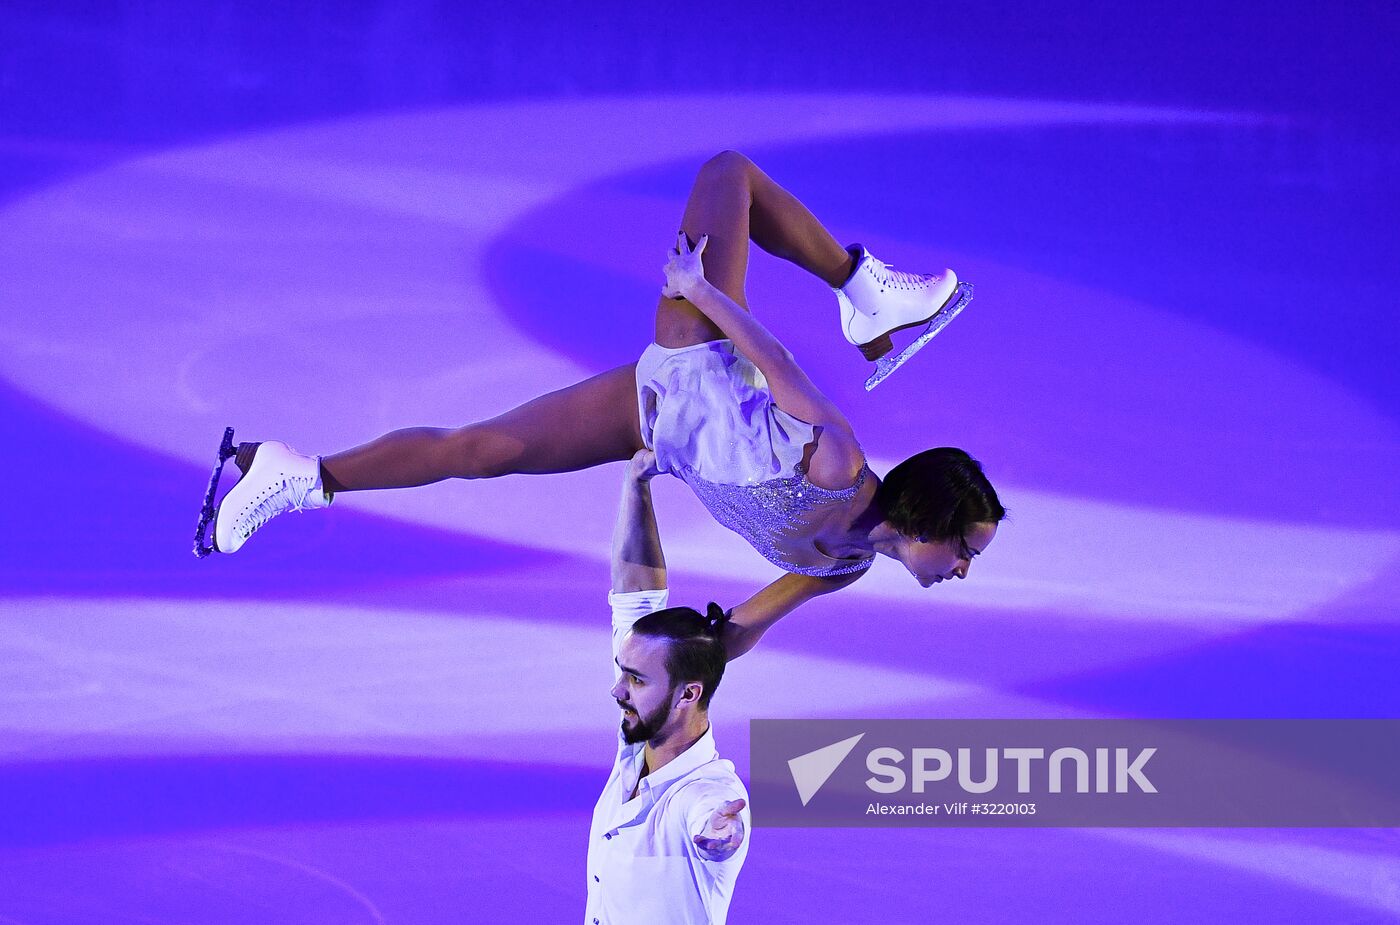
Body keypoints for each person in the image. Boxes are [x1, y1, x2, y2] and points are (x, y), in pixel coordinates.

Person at [199, 151, 1005, 609]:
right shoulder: (839, 464)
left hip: (652, 422)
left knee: (483, 450)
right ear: (930, 517)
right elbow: (779, 365)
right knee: (730, 173)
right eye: (967, 549)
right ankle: (863, 289)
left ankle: (295, 474)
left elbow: (747, 625)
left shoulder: (845, 566)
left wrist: (685, 691)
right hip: (693, 350)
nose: (964, 569)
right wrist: (701, 294)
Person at [589, 446, 817, 925]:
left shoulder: (708, 792)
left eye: (634, 679)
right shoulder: (639, 743)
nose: (617, 691)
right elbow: (634, 596)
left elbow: (714, 828)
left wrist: (720, 836)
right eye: (621, 670)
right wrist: (636, 483)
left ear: (688, 694)